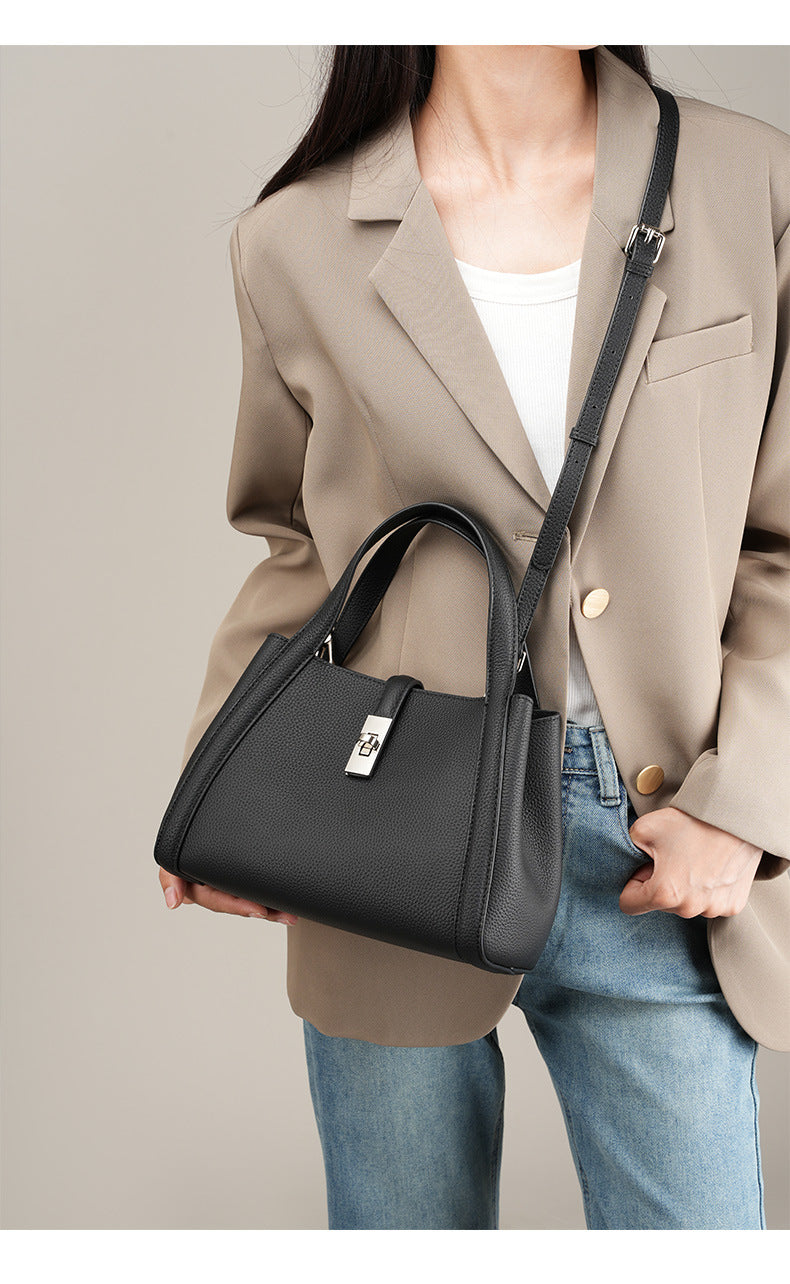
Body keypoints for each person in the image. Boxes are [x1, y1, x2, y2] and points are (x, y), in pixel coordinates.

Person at [157, 45, 790, 1229]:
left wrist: (746, 806)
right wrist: (221, 779)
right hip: (384, 820)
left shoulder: (746, 182)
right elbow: (296, 546)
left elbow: (784, 541)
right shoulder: (291, 242)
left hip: (661, 830)